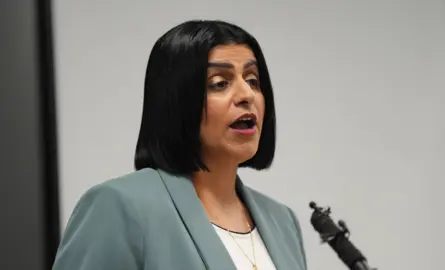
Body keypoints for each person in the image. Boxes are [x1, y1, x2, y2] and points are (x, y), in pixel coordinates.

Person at [52, 19, 307, 270]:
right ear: (177, 100)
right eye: (220, 83)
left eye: (253, 80)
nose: (246, 95)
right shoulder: (120, 207)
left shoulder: (282, 221)